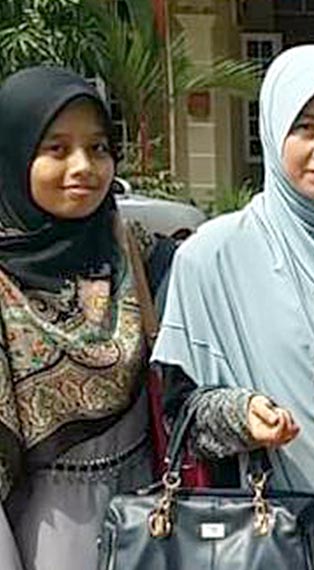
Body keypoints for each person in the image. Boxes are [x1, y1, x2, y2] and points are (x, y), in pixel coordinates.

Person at [151, 45, 314, 523]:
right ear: (271, 130)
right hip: (269, 530)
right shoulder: (211, 257)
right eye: (305, 128)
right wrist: (242, 414)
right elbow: (181, 412)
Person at [0, 67, 158, 569]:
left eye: (98, 147)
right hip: (41, 533)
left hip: (147, 517)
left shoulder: (132, 252)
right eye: (56, 149)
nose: (83, 166)